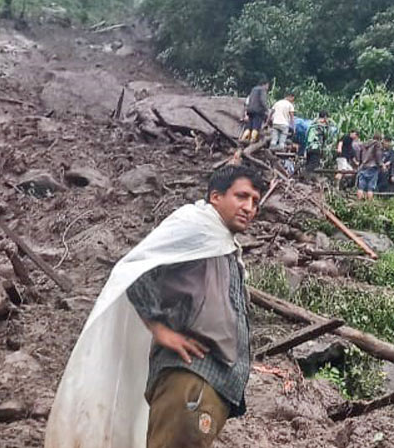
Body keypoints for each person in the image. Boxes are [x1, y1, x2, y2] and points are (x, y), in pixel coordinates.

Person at [46, 165, 265, 448]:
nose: (249, 207)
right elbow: (135, 270)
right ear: (215, 197)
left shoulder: (221, 243)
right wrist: (159, 328)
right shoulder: (194, 226)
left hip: (209, 382)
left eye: (255, 201)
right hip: (190, 377)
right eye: (242, 196)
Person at [355, 132, 384, 200]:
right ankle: (369, 205)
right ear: (379, 138)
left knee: (360, 187)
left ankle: (358, 202)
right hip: (372, 167)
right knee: (370, 188)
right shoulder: (377, 144)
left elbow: (359, 154)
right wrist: (381, 165)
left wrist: (361, 163)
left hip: (363, 167)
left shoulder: (364, 144)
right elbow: (378, 156)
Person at [304, 111, 333, 178]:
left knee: (309, 163)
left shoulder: (312, 125)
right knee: (313, 164)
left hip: (309, 147)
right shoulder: (321, 126)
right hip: (316, 147)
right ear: (325, 117)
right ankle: (305, 176)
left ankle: (305, 178)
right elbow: (327, 136)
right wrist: (328, 125)